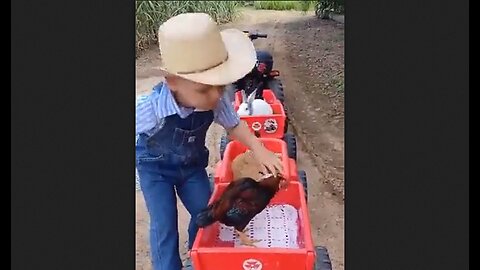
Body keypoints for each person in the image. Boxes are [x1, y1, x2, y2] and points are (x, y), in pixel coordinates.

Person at [135, 12, 283, 270]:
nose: (216, 95)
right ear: (173, 83)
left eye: (221, 85)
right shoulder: (150, 109)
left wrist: (260, 151)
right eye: (205, 88)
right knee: (164, 223)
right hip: (155, 170)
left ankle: (198, 257)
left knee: (207, 212)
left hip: (192, 168)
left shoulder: (215, 102)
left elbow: (235, 126)